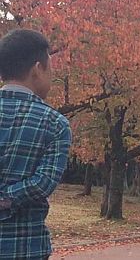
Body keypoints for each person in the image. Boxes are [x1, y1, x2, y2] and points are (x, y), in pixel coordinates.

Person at [0, 29, 72, 260]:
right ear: (37, 69)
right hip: (24, 246)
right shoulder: (55, 124)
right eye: (50, 68)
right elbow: (43, 183)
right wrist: (6, 197)